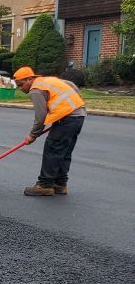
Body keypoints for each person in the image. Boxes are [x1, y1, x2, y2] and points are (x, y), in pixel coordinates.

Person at [13, 66, 86, 196]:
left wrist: (32, 135)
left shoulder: (35, 89)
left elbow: (40, 117)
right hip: (79, 115)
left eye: (21, 84)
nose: (20, 88)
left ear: (30, 79)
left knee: (52, 149)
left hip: (67, 117)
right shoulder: (48, 80)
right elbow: (71, 85)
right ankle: (60, 184)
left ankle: (44, 185)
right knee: (64, 151)